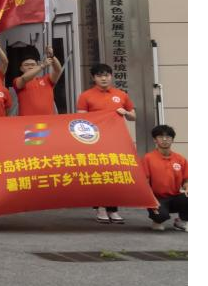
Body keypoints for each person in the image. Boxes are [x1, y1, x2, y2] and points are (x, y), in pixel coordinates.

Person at [76, 63, 136, 224]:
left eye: (106, 75)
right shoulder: (86, 96)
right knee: (98, 174)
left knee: (115, 173)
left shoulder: (121, 94)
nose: (103, 78)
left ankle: (113, 209)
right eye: (99, 75)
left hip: (116, 140)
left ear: (111, 76)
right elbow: (81, 119)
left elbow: (133, 116)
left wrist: (125, 112)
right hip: (95, 141)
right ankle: (100, 208)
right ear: (93, 78)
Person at [142, 125, 188, 232]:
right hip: (156, 199)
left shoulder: (180, 159)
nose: (164, 139)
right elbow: (145, 182)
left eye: (168, 137)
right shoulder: (148, 158)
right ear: (155, 140)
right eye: (160, 137)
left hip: (175, 197)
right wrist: (150, 198)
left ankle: (181, 222)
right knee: (161, 218)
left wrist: (187, 187)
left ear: (172, 140)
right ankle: (157, 221)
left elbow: (186, 180)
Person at [14, 47, 63, 116]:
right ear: (21, 68)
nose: (30, 67)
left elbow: (58, 70)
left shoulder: (46, 79)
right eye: (26, 65)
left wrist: (52, 56)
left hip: (49, 120)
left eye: (33, 64)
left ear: (36, 65)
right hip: (27, 121)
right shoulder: (17, 80)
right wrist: (42, 65)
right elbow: (24, 78)